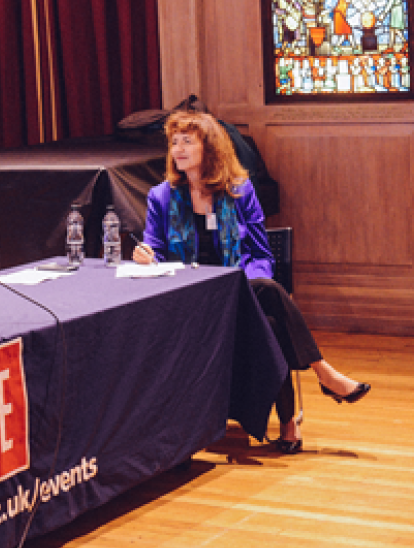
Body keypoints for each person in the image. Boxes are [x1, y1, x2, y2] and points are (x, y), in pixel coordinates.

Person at [133, 111, 370, 454]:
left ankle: (292, 420)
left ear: (209, 147)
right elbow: (152, 250)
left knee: (268, 313)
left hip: (239, 291)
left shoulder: (239, 192)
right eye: (174, 142)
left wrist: (247, 284)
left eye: (188, 141)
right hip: (192, 298)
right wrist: (145, 256)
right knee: (270, 309)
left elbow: (261, 255)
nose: (179, 149)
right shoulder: (162, 197)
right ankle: (322, 377)